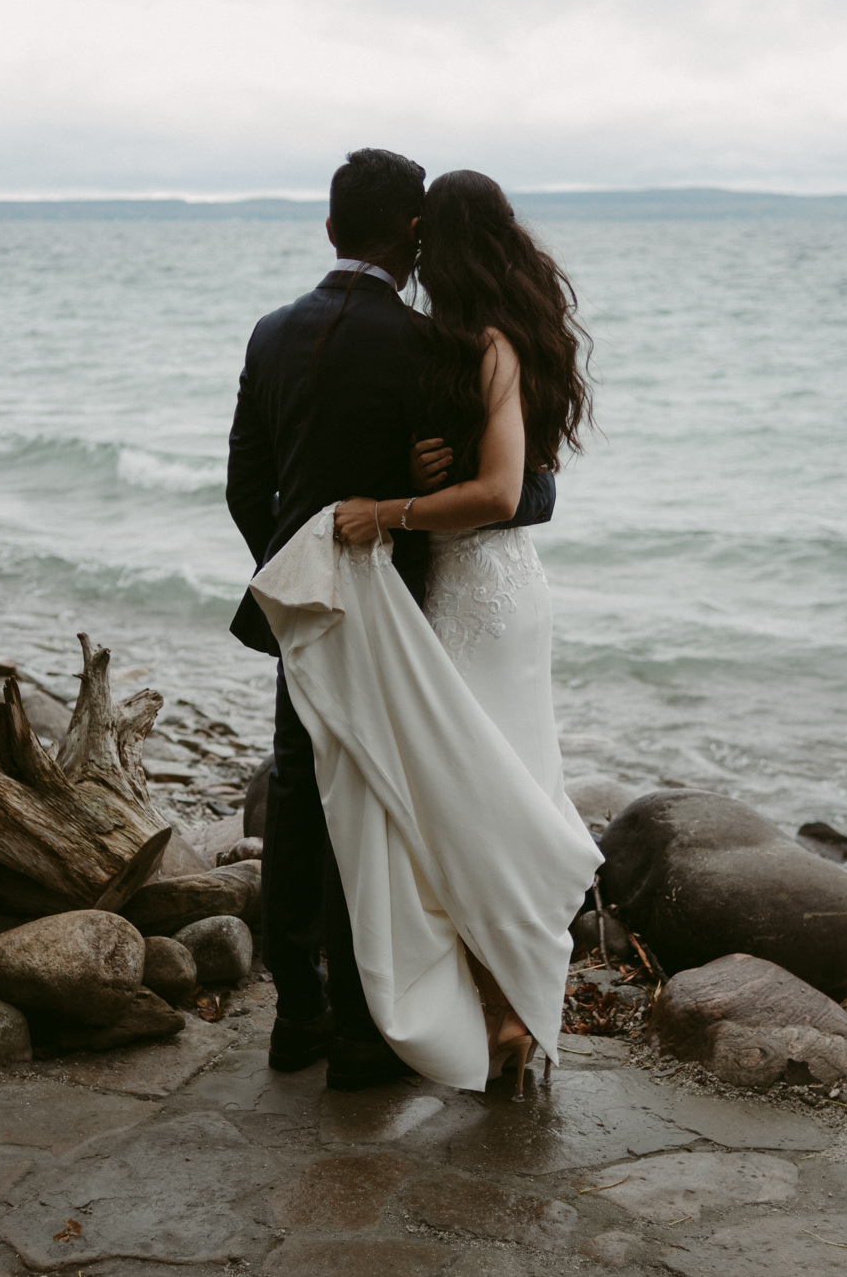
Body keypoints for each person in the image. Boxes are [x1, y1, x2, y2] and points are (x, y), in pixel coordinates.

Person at [243, 166, 600, 1097]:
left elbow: (250, 488)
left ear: (329, 226)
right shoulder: (429, 343)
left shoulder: (275, 333)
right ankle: (395, 1029)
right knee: (422, 796)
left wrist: (314, 554)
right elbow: (521, 491)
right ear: (410, 234)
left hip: (333, 604)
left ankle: (300, 1017)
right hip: (428, 603)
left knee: (318, 791)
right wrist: (413, 485)